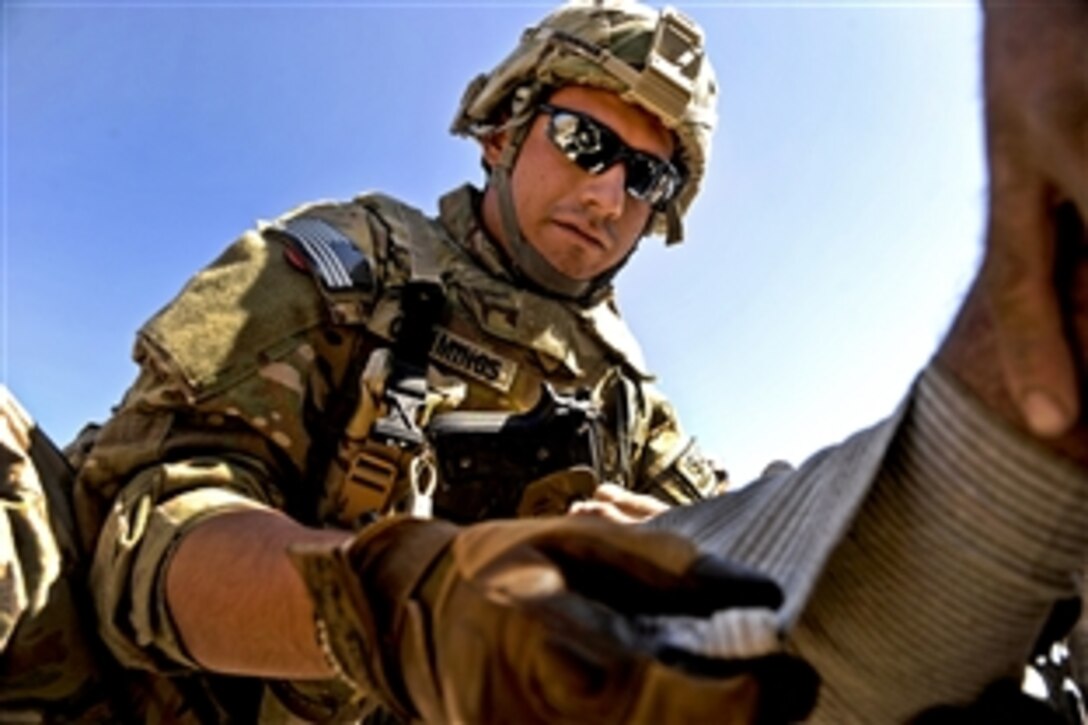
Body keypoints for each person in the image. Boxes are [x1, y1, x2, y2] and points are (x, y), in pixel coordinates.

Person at [1, 0, 1084, 722]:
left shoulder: (623, 400)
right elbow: (143, 547)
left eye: (648, 179)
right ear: (503, 133)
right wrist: (422, 610)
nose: (609, 195)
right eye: (584, 144)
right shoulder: (348, 266)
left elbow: (760, 562)